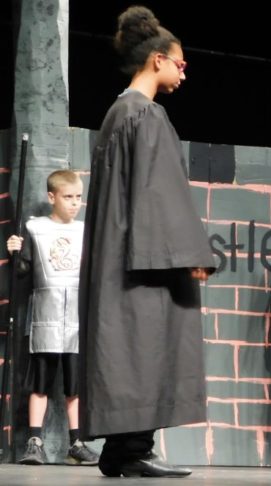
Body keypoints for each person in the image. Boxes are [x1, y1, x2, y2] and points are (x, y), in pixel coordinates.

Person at [78, 5, 215, 478]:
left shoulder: (117, 113)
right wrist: (189, 254)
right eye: (180, 63)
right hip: (145, 260)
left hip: (118, 254)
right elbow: (160, 193)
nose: (184, 72)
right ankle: (134, 449)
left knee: (129, 348)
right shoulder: (145, 114)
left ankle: (122, 450)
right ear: (158, 59)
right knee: (148, 343)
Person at [7, 170, 99, 467]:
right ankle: (35, 442)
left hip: (76, 319)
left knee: (75, 386)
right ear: (52, 197)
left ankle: (77, 443)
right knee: (40, 384)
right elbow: (23, 272)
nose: (74, 203)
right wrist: (15, 254)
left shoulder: (86, 231)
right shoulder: (35, 228)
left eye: (78, 197)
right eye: (68, 197)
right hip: (45, 317)